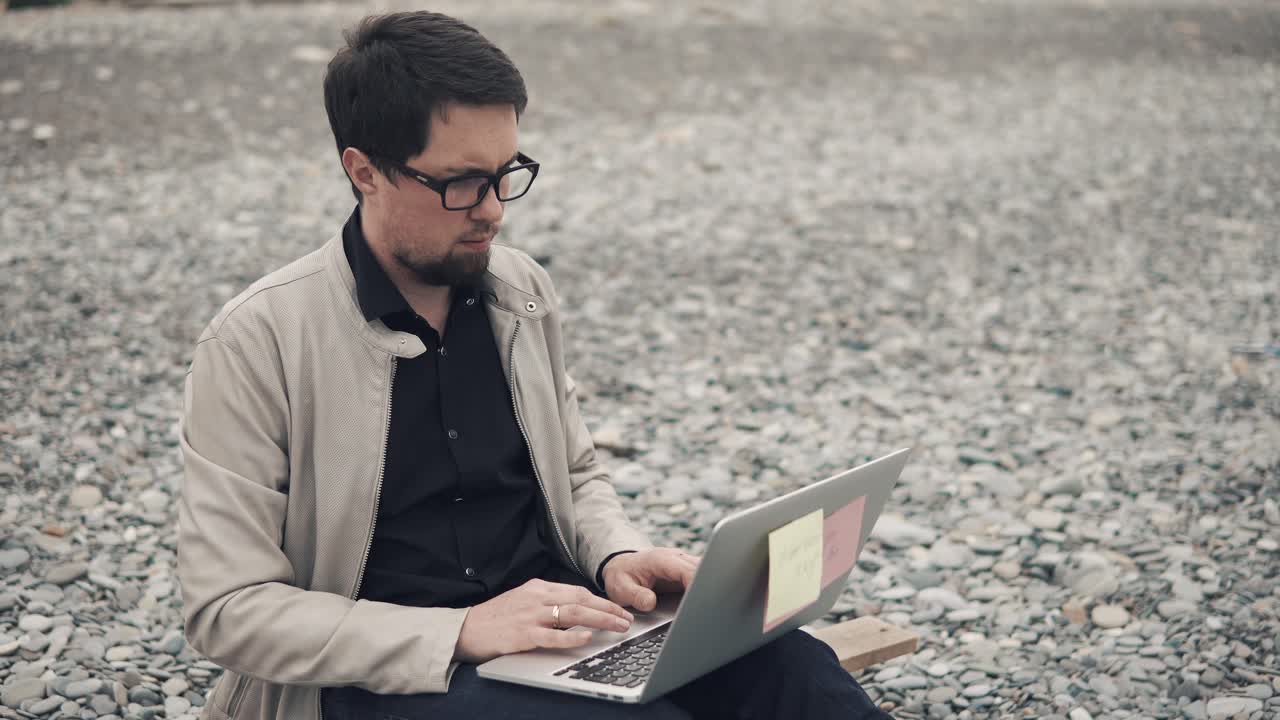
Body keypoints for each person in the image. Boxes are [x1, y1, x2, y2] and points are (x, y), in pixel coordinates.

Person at [176, 10, 893, 720]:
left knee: (792, 666)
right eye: (461, 183)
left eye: (506, 174)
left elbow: (576, 476)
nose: (493, 211)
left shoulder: (519, 291)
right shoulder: (256, 342)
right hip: (384, 679)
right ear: (364, 171)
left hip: (561, 632)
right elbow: (228, 609)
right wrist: (458, 632)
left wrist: (617, 557)